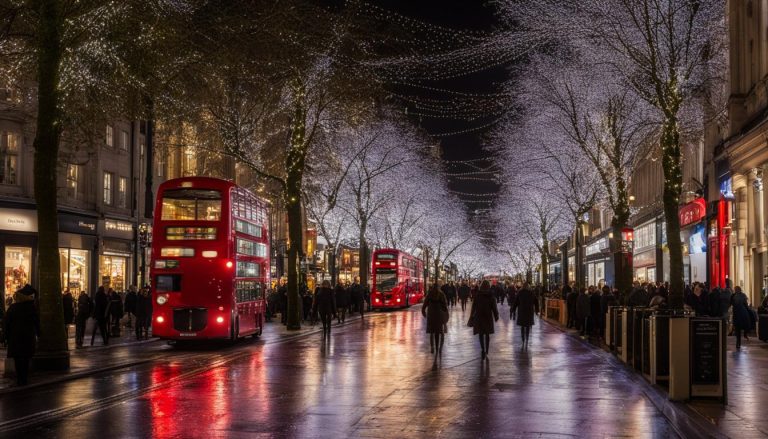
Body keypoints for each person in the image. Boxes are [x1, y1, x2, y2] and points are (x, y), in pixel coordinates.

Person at [3, 285, 39, 386]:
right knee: (25, 359)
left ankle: (20, 379)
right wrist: (38, 334)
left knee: (18, 360)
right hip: (28, 337)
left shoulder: (13, 308)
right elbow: (36, 322)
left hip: (15, 338)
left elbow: (7, 323)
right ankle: (24, 379)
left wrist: (5, 337)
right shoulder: (31, 308)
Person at [469, 280, 498, 360]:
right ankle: (487, 350)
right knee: (487, 334)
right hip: (488, 316)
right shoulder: (491, 296)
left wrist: (471, 316)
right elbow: (494, 308)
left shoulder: (477, 295)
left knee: (481, 334)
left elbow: (473, 307)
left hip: (479, 316)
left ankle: (482, 349)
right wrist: (496, 316)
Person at [422, 284, 448, 370]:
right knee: (439, 332)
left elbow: (424, 305)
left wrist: (424, 313)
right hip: (439, 315)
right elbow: (445, 306)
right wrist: (446, 314)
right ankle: (438, 348)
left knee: (432, 332)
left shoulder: (429, 294)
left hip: (431, 315)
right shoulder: (441, 294)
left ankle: (433, 346)